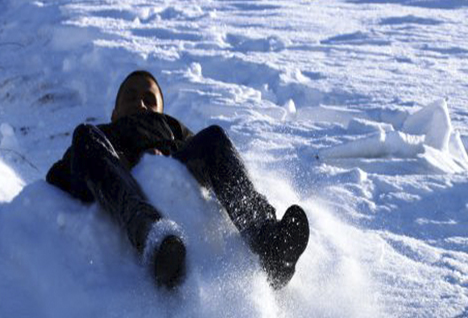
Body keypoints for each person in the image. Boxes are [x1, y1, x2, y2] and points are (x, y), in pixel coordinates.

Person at [46, 70, 309, 290]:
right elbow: (61, 174)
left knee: (214, 137)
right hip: (125, 192)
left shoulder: (174, 132)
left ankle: (268, 242)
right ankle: (153, 239)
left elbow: (217, 160)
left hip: (177, 180)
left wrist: (167, 156)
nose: (140, 103)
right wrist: (127, 161)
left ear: (161, 110)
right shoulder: (99, 135)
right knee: (84, 134)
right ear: (114, 112)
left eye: (150, 99)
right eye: (131, 96)